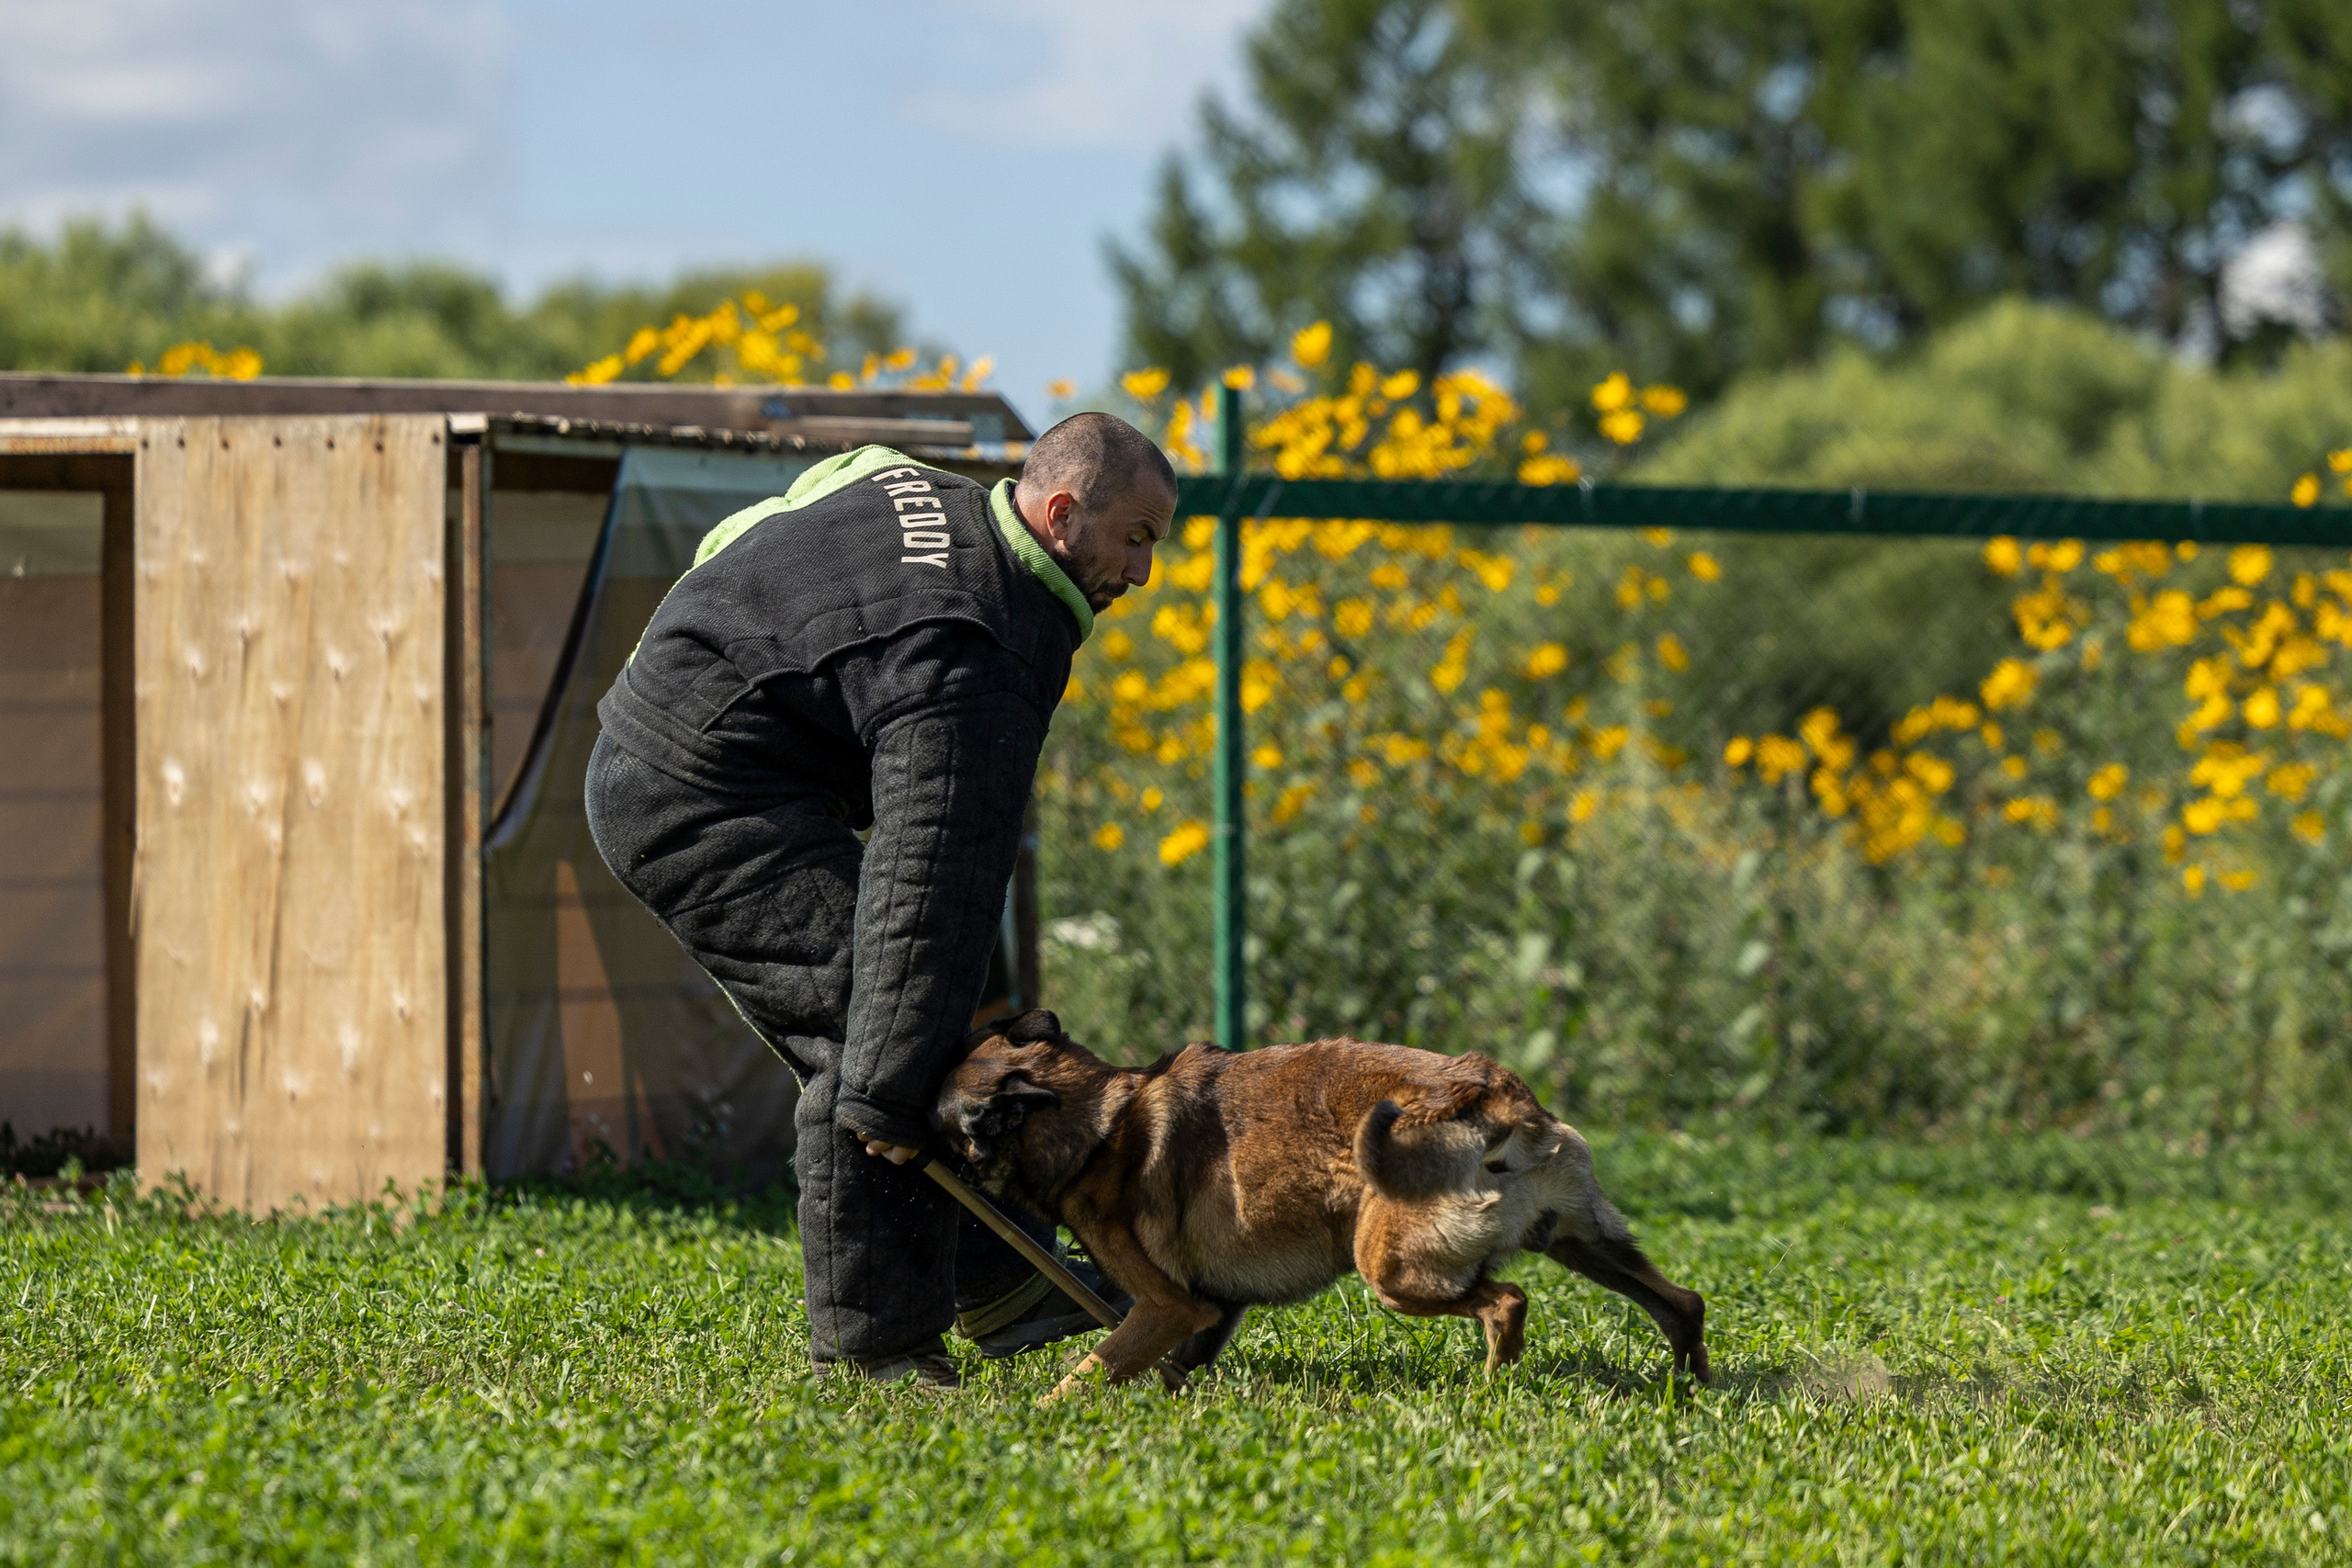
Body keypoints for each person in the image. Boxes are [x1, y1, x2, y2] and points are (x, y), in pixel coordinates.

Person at [584, 413, 1175, 1390]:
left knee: (904, 1038)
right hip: (694, 800)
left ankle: (999, 1283)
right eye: (1137, 539)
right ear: (1064, 515)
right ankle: (876, 1354)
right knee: (879, 1046)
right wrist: (892, 1092)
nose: (1144, 573)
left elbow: (764, 524)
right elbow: (933, 885)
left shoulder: (925, 491)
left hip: (687, 752)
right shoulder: (979, 647)